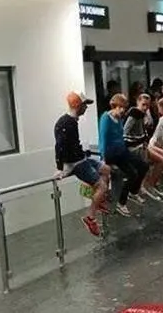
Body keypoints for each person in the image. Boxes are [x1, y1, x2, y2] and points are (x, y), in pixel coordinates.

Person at [55, 91, 111, 236]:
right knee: (102, 186)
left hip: (81, 158)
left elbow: (71, 144)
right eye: (84, 105)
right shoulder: (65, 123)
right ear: (77, 105)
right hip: (75, 163)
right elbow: (60, 146)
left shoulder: (72, 121)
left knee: (106, 169)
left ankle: (100, 200)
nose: (86, 108)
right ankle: (90, 217)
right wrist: (60, 168)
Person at [100, 94, 149, 217]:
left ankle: (133, 191)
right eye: (120, 107)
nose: (122, 110)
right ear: (114, 106)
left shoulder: (120, 119)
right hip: (112, 153)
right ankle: (121, 203)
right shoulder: (106, 118)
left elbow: (121, 137)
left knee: (143, 166)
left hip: (122, 151)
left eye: (124, 108)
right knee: (132, 173)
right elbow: (103, 138)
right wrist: (104, 158)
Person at [124, 93, 163, 202]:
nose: (145, 108)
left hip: (143, 145)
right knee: (147, 165)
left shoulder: (141, 114)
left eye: (147, 105)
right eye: (143, 104)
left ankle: (150, 185)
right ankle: (142, 188)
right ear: (137, 102)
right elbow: (125, 133)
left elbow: (141, 132)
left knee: (162, 160)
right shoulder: (134, 113)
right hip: (135, 147)